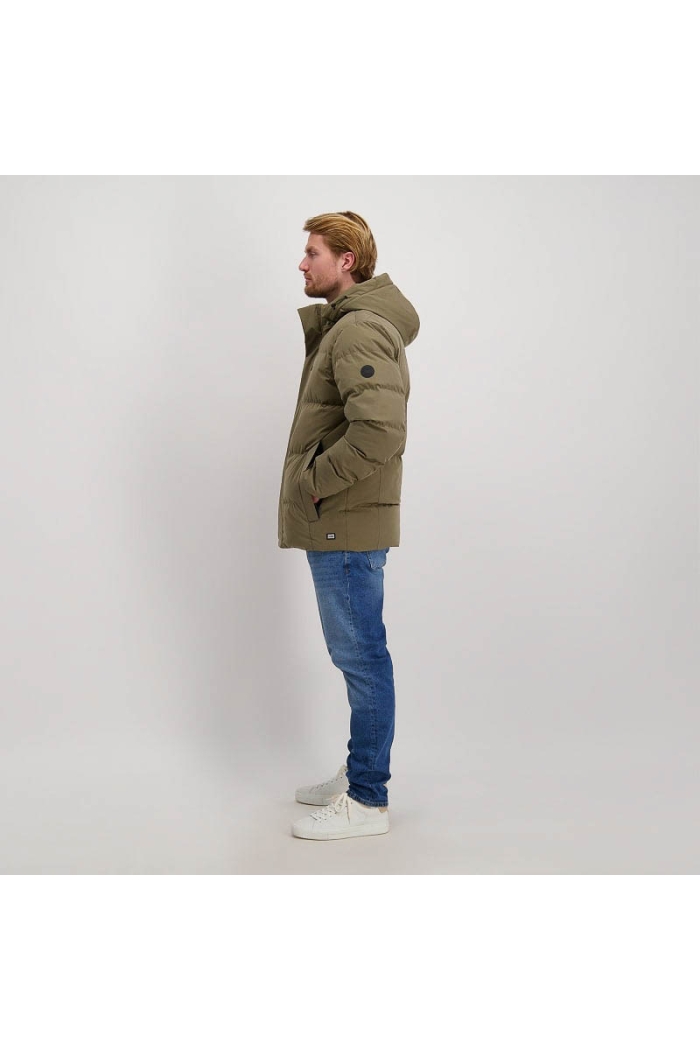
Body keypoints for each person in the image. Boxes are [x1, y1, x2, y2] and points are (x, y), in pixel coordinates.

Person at [277, 211, 420, 840]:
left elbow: (380, 432)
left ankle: (366, 799)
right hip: (342, 522)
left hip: (343, 523)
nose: (302, 263)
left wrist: (313, 482)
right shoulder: (347, 325)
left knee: (361, 657)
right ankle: (360, 770)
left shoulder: (358, 329)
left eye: (312, 252)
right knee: (356, 654)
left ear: (347, 261)